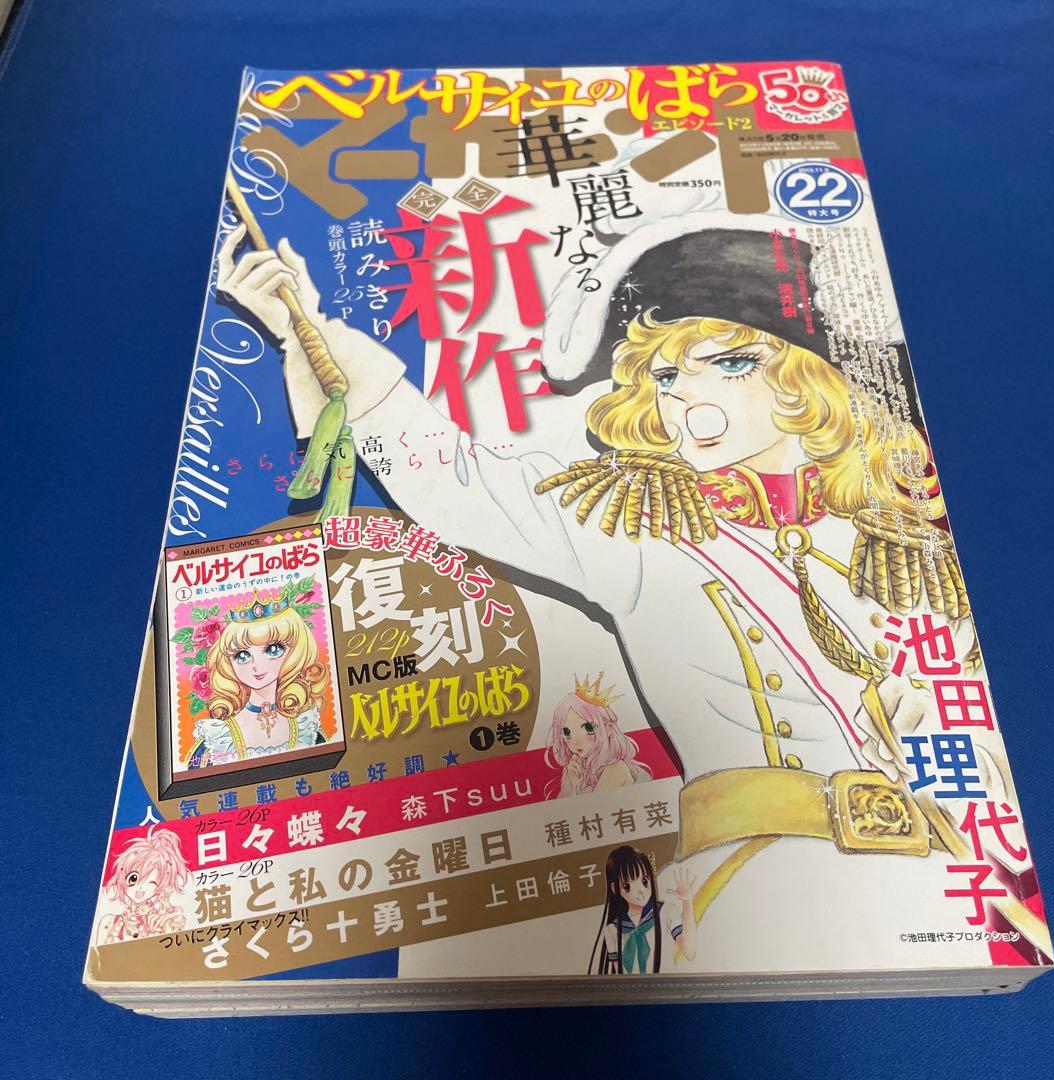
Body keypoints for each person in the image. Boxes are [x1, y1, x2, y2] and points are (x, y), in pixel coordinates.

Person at [217, 217, 1010, 974]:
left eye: (730, 363)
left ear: (809, 376)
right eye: (666, 376)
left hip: (926, 880)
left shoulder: (901, 542)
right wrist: (308, 330)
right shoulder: (638, 522)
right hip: (755, 882)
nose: (687, 400)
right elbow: (453, 477)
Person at [188, 591, 329, 767]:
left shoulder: (307, 728)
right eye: (242, 655)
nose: (256, 665)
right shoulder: (218, 738)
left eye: (273, 649)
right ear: (228, 662)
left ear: (296, 652)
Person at [589, 846, 696, 974]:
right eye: (627, 886)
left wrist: (687, 901)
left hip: (667, 985)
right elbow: (620, 974)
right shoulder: (612, 930)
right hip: (635, 987)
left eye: (644, 881)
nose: (640, 891)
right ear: (614, 888)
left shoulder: (665, 911)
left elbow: (689, 952)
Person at [545, 673, 651, 799]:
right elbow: (563, 809)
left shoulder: (617, 769)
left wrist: (575, 788)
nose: (576, 742)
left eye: (588, 728)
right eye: (567, 732)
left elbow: (596, 806)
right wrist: (573, 785)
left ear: (607, 729)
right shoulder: (574, 769)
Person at [96, 826, 190, 944]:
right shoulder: (109, 923)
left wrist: (169, 930)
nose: (140, 888)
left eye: (152, 883)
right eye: (133, 878)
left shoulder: (166, 922)